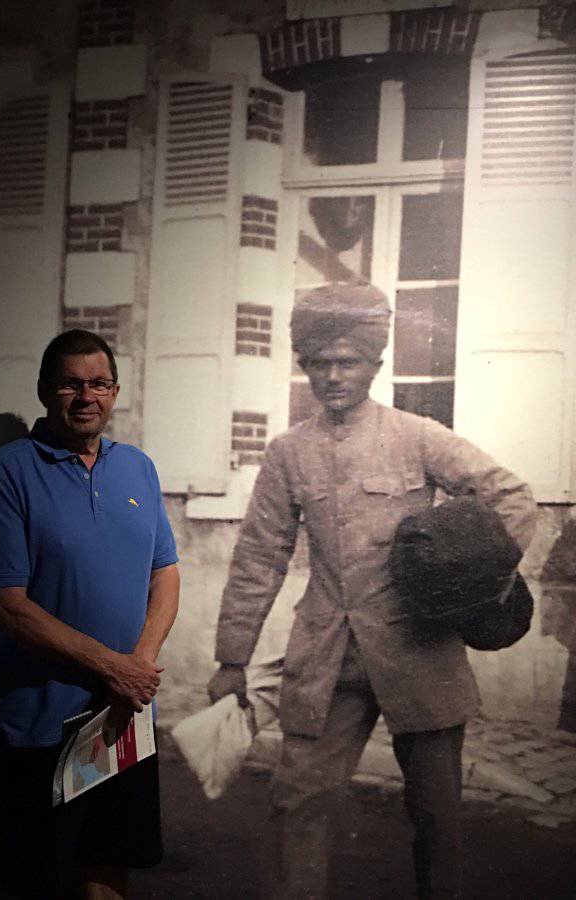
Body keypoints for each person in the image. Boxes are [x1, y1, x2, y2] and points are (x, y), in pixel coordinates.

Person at [206, 282, 538, 899]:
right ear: (305, 366)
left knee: (437, 815)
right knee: (296, 799)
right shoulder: (288, 454)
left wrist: (474, 586)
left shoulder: (417, 436)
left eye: (348, 362)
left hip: (420, 652)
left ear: (374, 365)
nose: (333, 377)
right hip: (327, 658)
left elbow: (512, 498)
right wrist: (232, 658)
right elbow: (258, 557)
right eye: (319, 364)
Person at [0, 329, 181, 899]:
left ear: (115, 392)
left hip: (122, 717)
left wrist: (138, 666)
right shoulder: (8, 471)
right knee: (41, 878)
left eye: (99, 384)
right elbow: (8, 607)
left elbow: (165, 574)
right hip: (43, 721)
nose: (87, 397)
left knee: (109, 869)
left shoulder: (137, 468)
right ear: (45, 390)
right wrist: (114, 666)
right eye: (71, 384)